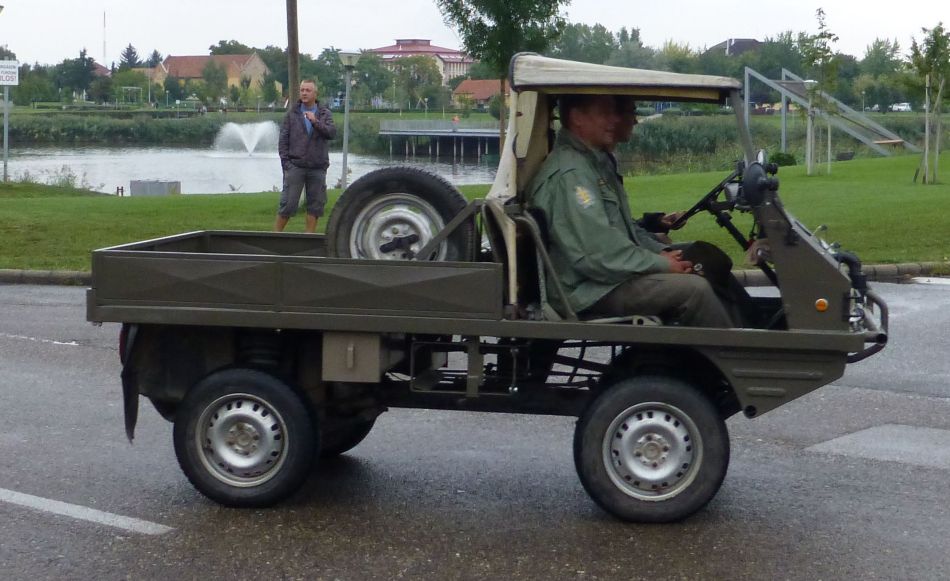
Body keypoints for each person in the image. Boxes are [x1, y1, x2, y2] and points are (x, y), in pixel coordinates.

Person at [527, 94, 735, 328]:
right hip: (586, 289)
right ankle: (738, 358)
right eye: (605, 112)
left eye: (616, 112)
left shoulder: (592, 162)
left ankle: (744, 334)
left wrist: (662, 253)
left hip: (601, 278)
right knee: (694, 290)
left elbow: (621, 234)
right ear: (577, 118)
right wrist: (661, 263)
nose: (615, 120)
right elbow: (597, 253)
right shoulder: (572, 174)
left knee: (706, 258)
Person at [275, 79, 337, 233]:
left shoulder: (324, 113)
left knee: (315, 206)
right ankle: (275, 236)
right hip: (295, 166)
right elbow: (283, 140)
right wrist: (286, 164)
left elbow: (331, 133)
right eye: (302, 90)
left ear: (315, 94)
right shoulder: (292, 114)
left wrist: (315, 122)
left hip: (317, 167)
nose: (304, 93)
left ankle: (309, 237)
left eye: (308, 90)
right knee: (288, 204)